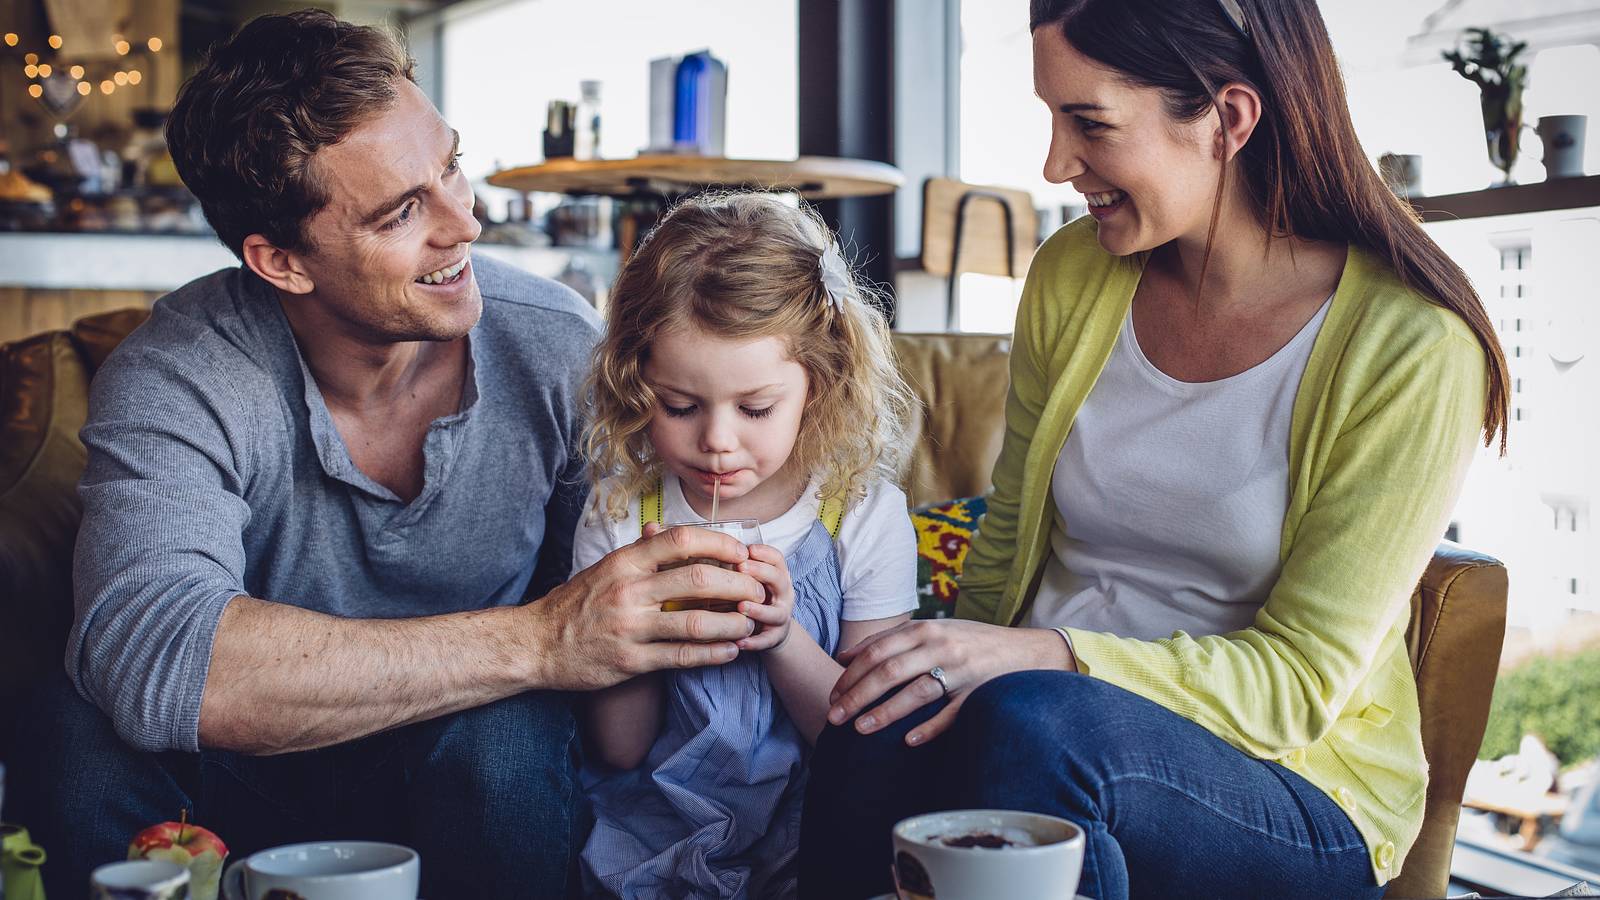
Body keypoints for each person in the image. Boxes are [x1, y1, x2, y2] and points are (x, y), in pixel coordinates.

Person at [9, 12, 768, 899]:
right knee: (74, 730)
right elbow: (159, 655)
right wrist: (540, 639)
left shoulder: (558, 347)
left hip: (474, 769)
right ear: (282, 260)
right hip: (238, 781)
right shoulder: (178, 373)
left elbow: (631, 586)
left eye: (449, 167)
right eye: (403, 211)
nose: (465, 225)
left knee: (507, 736)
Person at [798, 1, 1510, 898]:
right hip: (1038, 728)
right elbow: (1009, 542)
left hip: (1287, 792)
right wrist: (934, 659)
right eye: (1052, 118)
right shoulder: (1073, 274)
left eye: (1089, 123)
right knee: (876, 709)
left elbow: (1293, 687)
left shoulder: (1412, 349)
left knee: (1037, 724)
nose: (1055, 164)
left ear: (1230, 118)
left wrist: (1047, 655)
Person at [574, 193, 921, 897]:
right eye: (679, 406)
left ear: (818, 385)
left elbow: (863, 742)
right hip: (653, 842)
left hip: (816, 839)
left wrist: (780, 635)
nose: (717, 440)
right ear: (637, 382)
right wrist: (638, 622)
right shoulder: (619, 511)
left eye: (756, 408)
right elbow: (620, 747)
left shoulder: (861, 514)